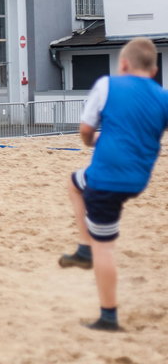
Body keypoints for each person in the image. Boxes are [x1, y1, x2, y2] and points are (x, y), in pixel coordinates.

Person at [59, 37, 168, 331]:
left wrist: (91, 140)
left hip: (108, 178)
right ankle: (83, 247)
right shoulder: (163, 97)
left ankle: (108, 316)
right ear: (154, 70)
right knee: (74, 182)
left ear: (123, 64)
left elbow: (85, 129)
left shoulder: (108, 85)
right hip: (137, 179)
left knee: (103, 247)